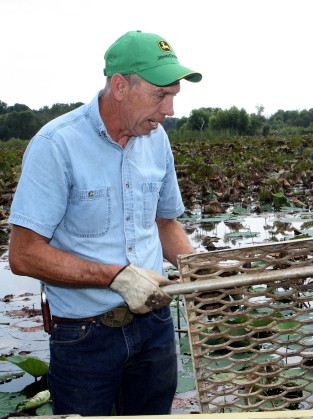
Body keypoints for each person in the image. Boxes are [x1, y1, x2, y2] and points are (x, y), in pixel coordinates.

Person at [8, 30, 201, 416]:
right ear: (119, 86)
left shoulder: (157, 140)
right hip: (85, 335)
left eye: (174, 96)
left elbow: (165, 224)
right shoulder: (57, 144)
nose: (170, 110)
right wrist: (116, 276)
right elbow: (23, 255)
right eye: (160, 95)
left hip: (156, 324)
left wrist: (201, 273)